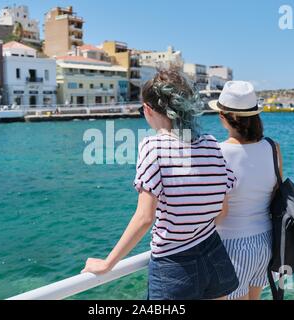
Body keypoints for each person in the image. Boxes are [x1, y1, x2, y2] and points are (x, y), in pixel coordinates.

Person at [82, 68, 239, 300]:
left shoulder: (152, 147)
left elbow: (145, 217)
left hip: (175, 266)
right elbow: (221, 209)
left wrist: (107, 263)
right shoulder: (212, 144)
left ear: (147, 109)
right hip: (214, 255)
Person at [209, 81, 283, 300]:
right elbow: (275, 194)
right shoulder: (272, 147)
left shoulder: (217, 152)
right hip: (265, 240)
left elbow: (219, 211)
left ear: (223, 116)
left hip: (232, 243)